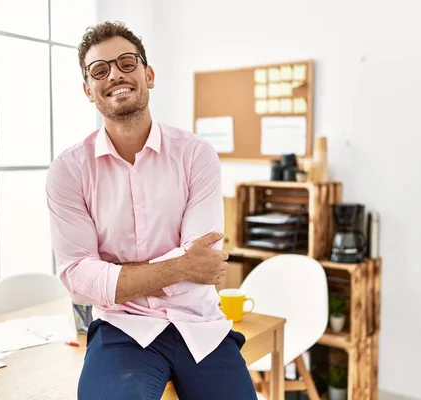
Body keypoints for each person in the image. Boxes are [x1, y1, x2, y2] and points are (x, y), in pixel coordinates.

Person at [45, 21, 258, 400]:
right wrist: (181, 267)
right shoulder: (69, 170)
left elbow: (204, 261)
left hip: (199, 323)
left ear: (149, 74)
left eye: (127, 62)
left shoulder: (196, 155)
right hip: (123, 330)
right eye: (100, 70)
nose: (115, 75)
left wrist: (114, 279)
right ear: (88, 90)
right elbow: (78, 278)